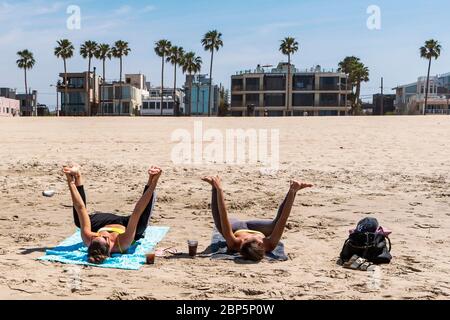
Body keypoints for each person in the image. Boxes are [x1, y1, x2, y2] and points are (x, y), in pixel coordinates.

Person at [62, 164, 162, 264]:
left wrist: (70, 181)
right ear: (109, 242)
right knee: (141, 225)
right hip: (125, 225)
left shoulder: (89, 239)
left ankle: (77, 175)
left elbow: (80, 208)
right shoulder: (123, 243)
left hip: (104, 222)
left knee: (79, 220)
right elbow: (137, 211)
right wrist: (153, 183)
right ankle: (151, 178)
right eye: (102, 236)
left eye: (96, 235)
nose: (99, 234)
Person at [202, 176, 312, 261]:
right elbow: (283, 219)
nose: (251, 236)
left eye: (247, 239)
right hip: (258, 228)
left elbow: (223, 215)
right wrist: (292, 193)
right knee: (275, 225)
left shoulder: (234, 243)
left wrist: (219, 189)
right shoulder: (269, 245)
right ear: (261, 245)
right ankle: (294, 187)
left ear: (243, 242)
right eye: (259, 239)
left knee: (221, 225)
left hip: (236, 227)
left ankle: (213, 185)